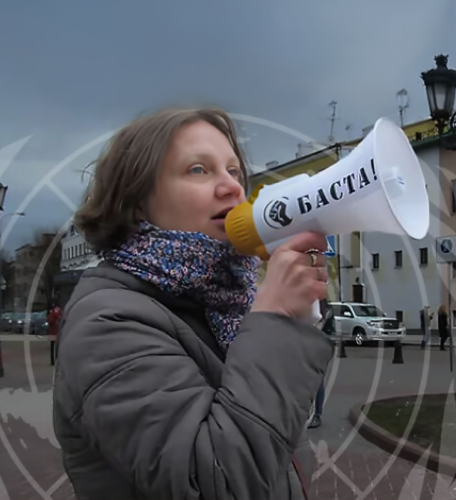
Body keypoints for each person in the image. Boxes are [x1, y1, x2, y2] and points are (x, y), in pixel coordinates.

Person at [52, 107, 333, 500]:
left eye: (234, 171)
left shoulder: (224, 303)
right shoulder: (107, 323)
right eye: (199, 170)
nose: (233, 188)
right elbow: (216, 482)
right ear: (136, 202)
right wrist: (277, 319)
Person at [308, 298, 334, 429]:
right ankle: (308, 412)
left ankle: (317, 414)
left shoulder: (325, 310)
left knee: (318, 382)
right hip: (308, 346)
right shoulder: (308, 304)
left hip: (319, 347)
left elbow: (327, 329)